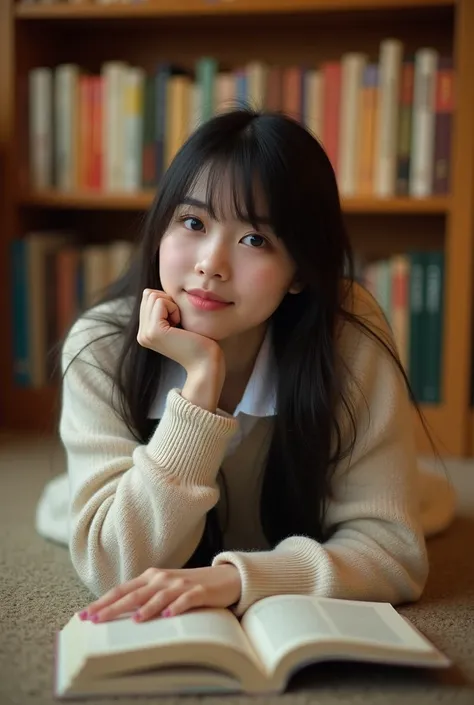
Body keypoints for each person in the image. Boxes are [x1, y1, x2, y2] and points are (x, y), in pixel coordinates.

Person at [55, 108, 455, 626]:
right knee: (72, 510)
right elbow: (114, 566)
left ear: (299, 272)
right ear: (160, 229)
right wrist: (200, 386)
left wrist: (235, 579)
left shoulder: (348, 335)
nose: (211, 265)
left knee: (426, 501)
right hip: (125, 482)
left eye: (255, 240)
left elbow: (393, 555)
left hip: (355, 493)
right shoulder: (101, 347)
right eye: (193, 222)